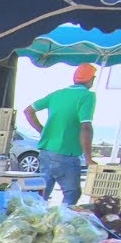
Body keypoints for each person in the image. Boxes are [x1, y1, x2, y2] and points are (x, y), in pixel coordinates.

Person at [24, 63, 98, 205]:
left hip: (46, 151)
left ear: (75, 78)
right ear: (91, 79)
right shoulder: (87, 96)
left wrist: (43, 131)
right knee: (72, 194)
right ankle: (62, 217)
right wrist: (88, 158)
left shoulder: (57, 94)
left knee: (41, 194)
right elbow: (86, 127)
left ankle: (36, 216)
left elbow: (28, 111)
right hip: (66, 153)